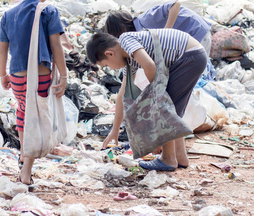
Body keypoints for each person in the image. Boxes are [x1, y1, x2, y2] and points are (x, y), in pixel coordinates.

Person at [86, 29, 207, 171]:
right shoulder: (129, 61)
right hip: (192, 57)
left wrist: (156, 95)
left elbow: (149, 65)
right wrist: (115, 130)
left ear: (110, 54)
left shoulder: (125, 40)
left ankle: (168, 160)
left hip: (189, 56)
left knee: (163, 109)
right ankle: (180, 157)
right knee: (172, 111)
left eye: (106, 65)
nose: (111, 69)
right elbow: (121, 95)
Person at [0, 0, 68, 188]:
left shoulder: (8, 15)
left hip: (17, 75)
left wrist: (2, 75)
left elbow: (2, 48)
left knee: (24, 111)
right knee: (36, 117)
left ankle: (22, 154)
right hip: (40, 76)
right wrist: (64, 76)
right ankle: (26, 169)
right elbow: (57, 46)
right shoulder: (49, 11)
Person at [104, 1, 212, 55]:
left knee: (197, 76)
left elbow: (175, 4)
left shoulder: (145, 20)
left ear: (122, 29)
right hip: (192, 38)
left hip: (197, 31)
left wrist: (166, 32)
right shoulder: (140, 36)